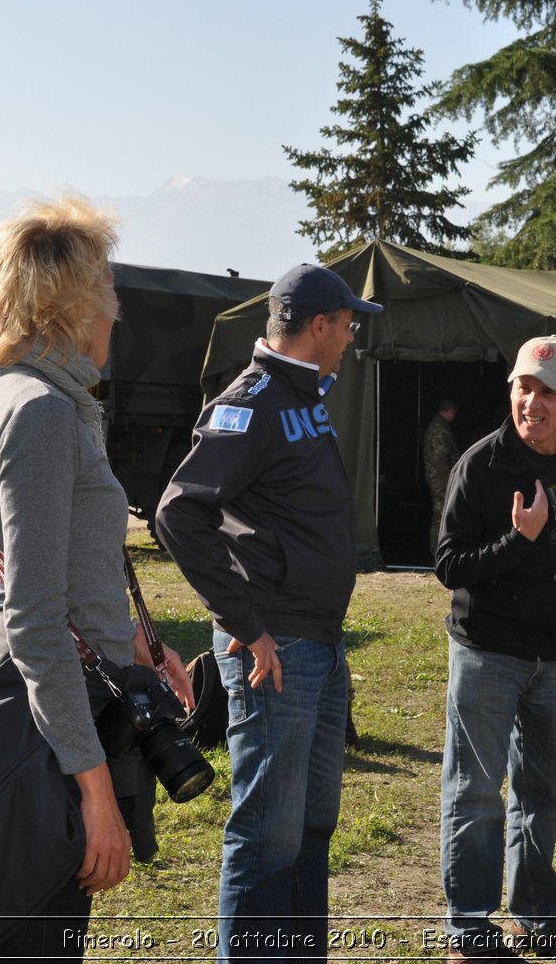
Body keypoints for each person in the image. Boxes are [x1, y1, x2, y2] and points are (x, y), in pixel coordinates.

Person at [0, 195, 192, 962]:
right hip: (49, 738)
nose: (115, 317)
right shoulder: (45, 414)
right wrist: (93, 791)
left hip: (25, 709)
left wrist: (137, 647)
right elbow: (30, 620)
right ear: (75, 305)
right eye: (109, 296)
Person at [155, 262, 382, 962]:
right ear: (318, 325)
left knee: (311, 825)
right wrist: (248, 627)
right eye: (347, 324)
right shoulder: (253, 400)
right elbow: (178, 513)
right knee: (268, 833)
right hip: (275, 648)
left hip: (318, 643)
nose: (351, 337)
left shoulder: (302, 392)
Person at [433, 336, 556, 964]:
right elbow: (447, 564)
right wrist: (518, 542)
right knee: (476, 793)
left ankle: (540, 916)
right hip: (487, 651)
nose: (532, 402)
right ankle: (470, 929)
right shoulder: (481, 465)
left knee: (543, 792)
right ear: (510, 391)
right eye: (523, 387)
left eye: (547, 391)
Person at [424, 398, 461, 553]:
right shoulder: (439, 429)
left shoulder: (440, 427)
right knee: (440, 516)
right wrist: (452, 476)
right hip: (441, 480)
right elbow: (440, 460)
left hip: (440, 479)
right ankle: (437, 551)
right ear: (450, 411)